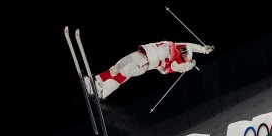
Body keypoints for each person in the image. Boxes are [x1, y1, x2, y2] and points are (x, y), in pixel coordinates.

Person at [84, 41, 214, 99]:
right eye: (184, 50)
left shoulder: (173, 63)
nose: (183, 50)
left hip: (146, 62)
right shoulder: (176, 46)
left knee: (125, 72)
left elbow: (179, 68)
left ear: (182, 58)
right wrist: (203, 49)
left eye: (184, 53)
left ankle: (103, 91)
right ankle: (95, 82)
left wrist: (188, 65)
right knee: (118, 66)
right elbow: (189, 45)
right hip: (142, 53)